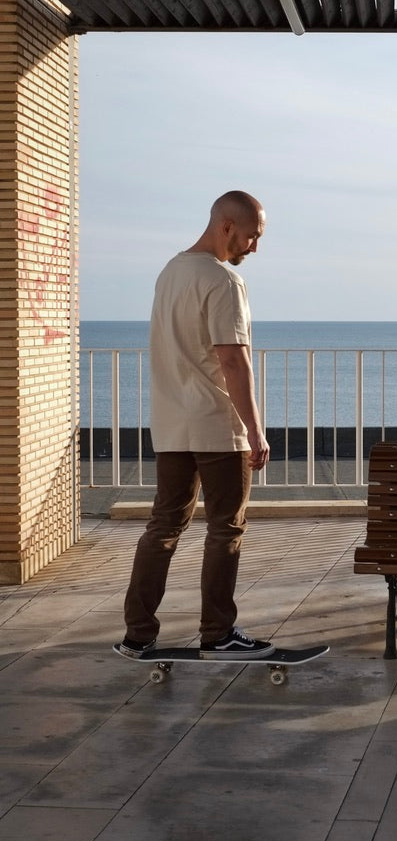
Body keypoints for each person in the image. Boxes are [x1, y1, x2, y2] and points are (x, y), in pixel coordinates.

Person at [117, 190, 274, 660]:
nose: (254, 247)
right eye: (252, 236)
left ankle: (137, 634)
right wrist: (255, 429)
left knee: (163, 526)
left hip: (170, 423)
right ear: (228, 226)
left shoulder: (171, 272)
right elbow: (233, 360)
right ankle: (218, 634)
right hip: (216, 425)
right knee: (226, 527)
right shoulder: (223, 281)